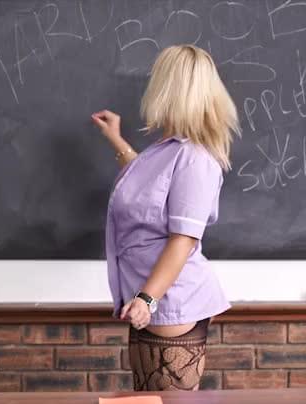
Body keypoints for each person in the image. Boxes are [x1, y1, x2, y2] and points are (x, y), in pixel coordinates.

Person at [90, 44, 241, 391]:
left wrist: (147, 298)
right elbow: (146, 190)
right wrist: (116, 139)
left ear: (169, 88)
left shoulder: (195, 158)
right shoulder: (168, 149)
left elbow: (183, 240)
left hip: (168, 300)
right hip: (150, 300)